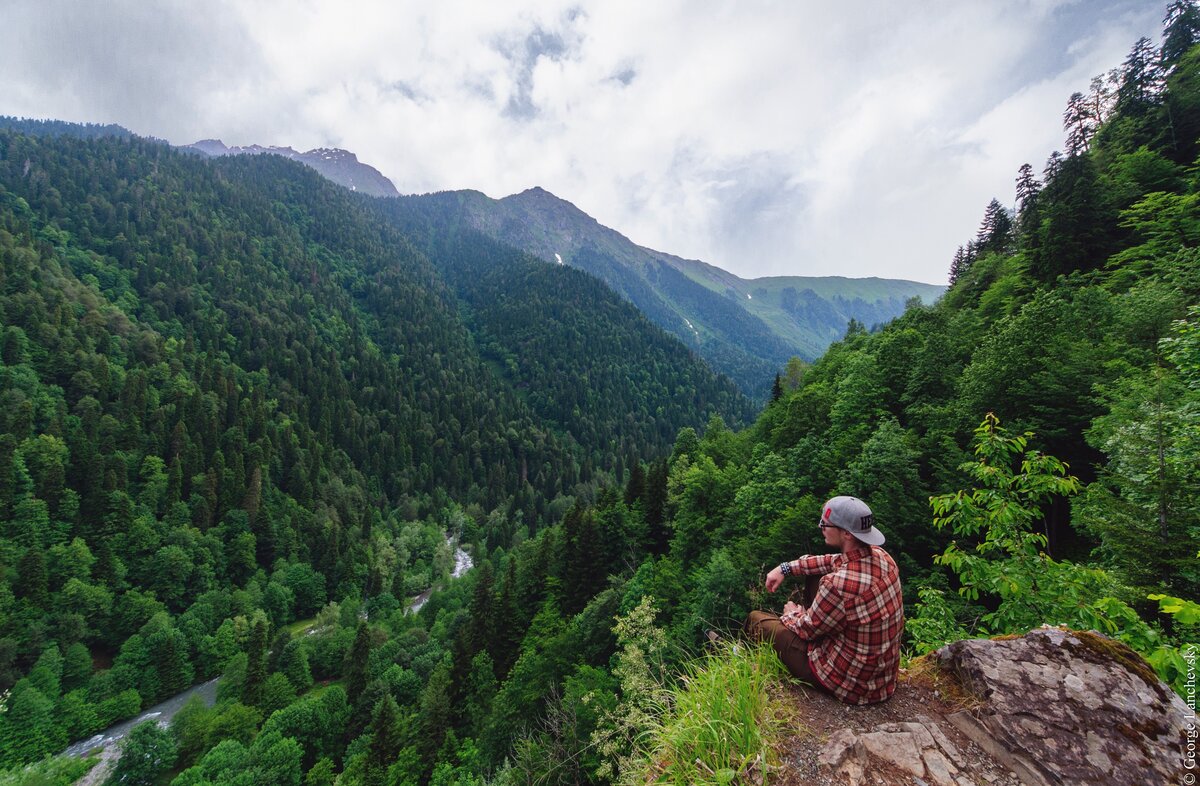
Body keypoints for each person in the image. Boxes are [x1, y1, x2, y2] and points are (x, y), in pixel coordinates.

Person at [744, 495, 904, 705]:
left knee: (756, 620)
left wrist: (791, 613)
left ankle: (743, 661)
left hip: (847, 682)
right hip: (880, 678)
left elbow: (805, 629)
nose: (821, 527)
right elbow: (831, 561)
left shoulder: (837, 584)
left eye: (825, 524)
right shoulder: (883, 557)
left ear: (846, 533)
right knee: (815, 575)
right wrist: (786, 568)